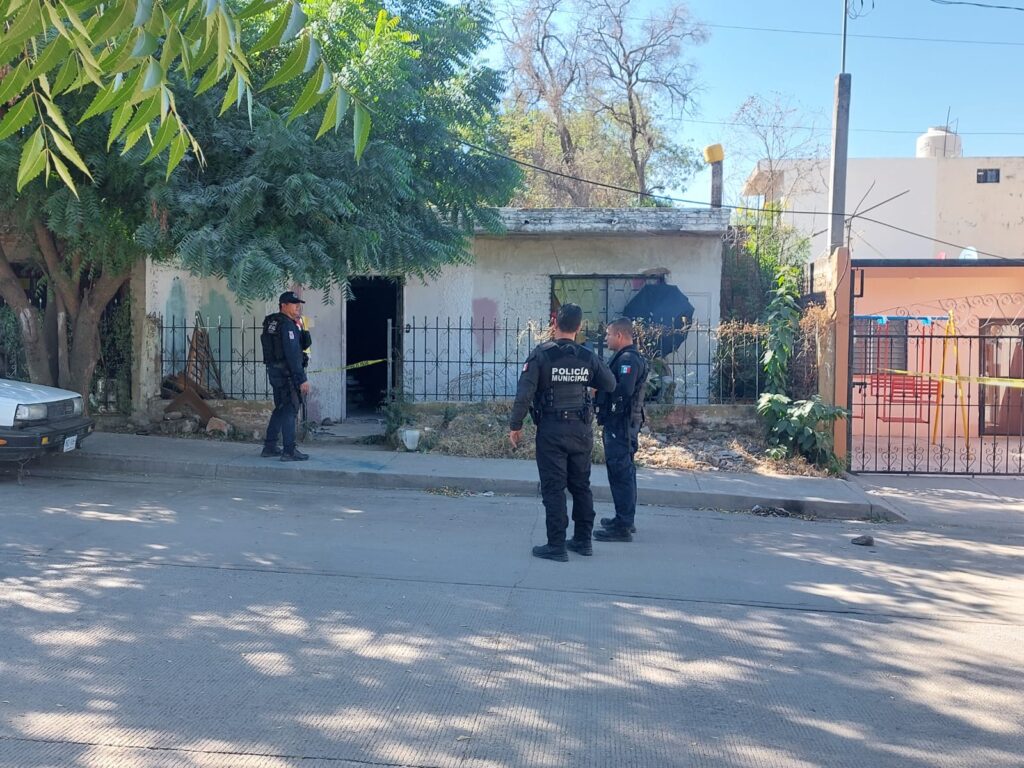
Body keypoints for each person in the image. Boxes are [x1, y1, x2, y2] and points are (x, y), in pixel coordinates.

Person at [509, 304, 615, 561]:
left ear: (554, 324)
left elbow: (524, 394)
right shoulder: (587, 356)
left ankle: (556, 545)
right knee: (581, 486)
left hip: (552, 431)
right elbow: (610, 383)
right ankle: (582, 541)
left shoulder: (541, 355)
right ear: (579, 328)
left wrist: (516, 426)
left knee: (554, 488)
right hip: (580, 430)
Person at [594, 318, 649, 542]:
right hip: (621, 423)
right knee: (623, 471)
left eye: (608, 334)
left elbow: (623, 391)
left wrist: (608, 406)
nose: (605, 338)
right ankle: (624, 518)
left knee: (621, 472)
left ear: (619, 336)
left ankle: (623, 526)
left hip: (621, 424)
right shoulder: (627, 357)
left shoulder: (628, 359)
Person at [260, 291, 311, 461]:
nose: (298, 306)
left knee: (281, 408)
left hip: (275, 372)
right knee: (290, 409)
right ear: (283, 305)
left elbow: (303, 343)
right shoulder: (287, 325)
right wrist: (302, 379)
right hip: (287, 374)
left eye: (299, 303)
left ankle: (270, 446)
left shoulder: (273, 322)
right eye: (293, 303)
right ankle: (289, 450)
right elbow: (292, 355)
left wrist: (302, 326)